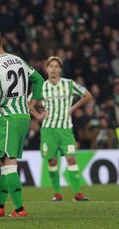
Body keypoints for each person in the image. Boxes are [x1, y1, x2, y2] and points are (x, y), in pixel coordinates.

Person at [0, 27, 44, 217]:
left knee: (9, 162)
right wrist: (31, 103)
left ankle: (19, 209)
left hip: (6, 117)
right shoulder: (19, 61)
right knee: (5, 163)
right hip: (22, 116)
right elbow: (39, 80)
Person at [31, 56, 92, 201]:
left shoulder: (69, 84)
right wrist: (38, 116)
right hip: (48, 130)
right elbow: (28, 104)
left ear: (60, 69)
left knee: (71, 159)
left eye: (56, 66)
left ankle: (78, 193)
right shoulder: (42, 86)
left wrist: (72, 108)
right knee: (52, 161)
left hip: (65, 129)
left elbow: (87, 96)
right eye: (51, 66)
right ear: (47, 69)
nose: (53, 68)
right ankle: (57, 193)